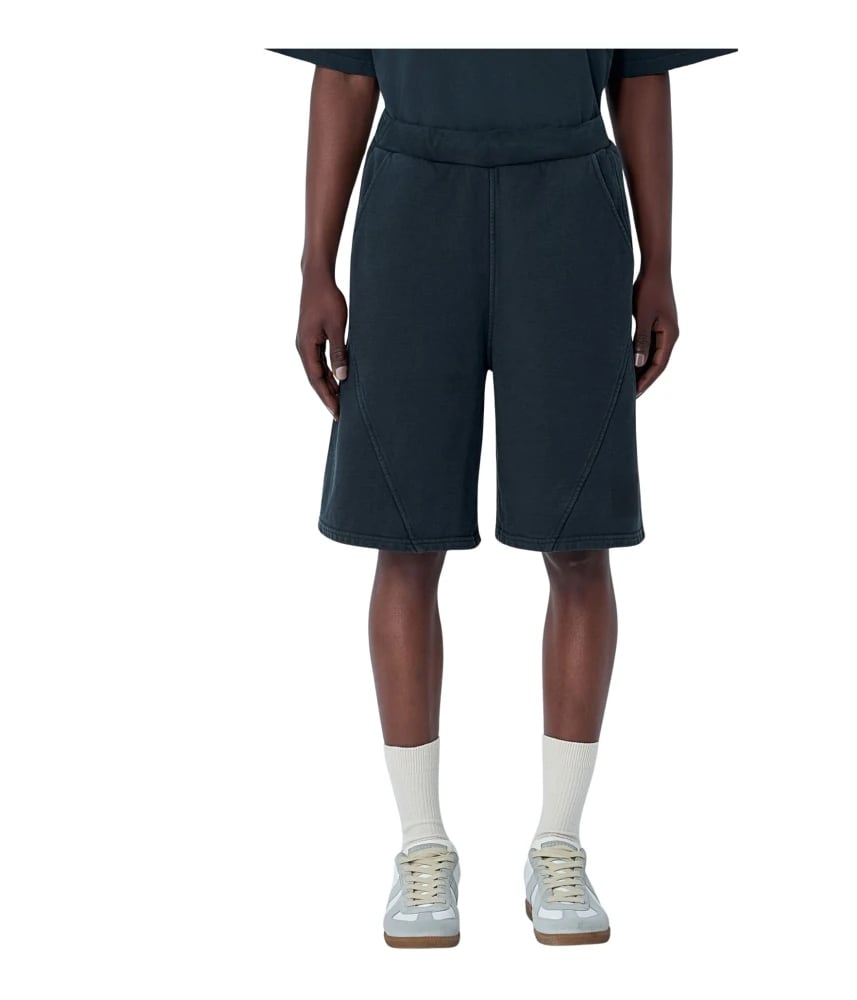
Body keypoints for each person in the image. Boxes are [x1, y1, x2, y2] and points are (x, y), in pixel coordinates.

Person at [270, 47, 736, 948]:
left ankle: (560, 841)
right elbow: (345, 66)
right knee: (405, 536)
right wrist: (314, 266)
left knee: (579, 537)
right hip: (412, 199)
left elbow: (641, 69)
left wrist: (661, 261)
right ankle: (421, 845)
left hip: (569, 202)